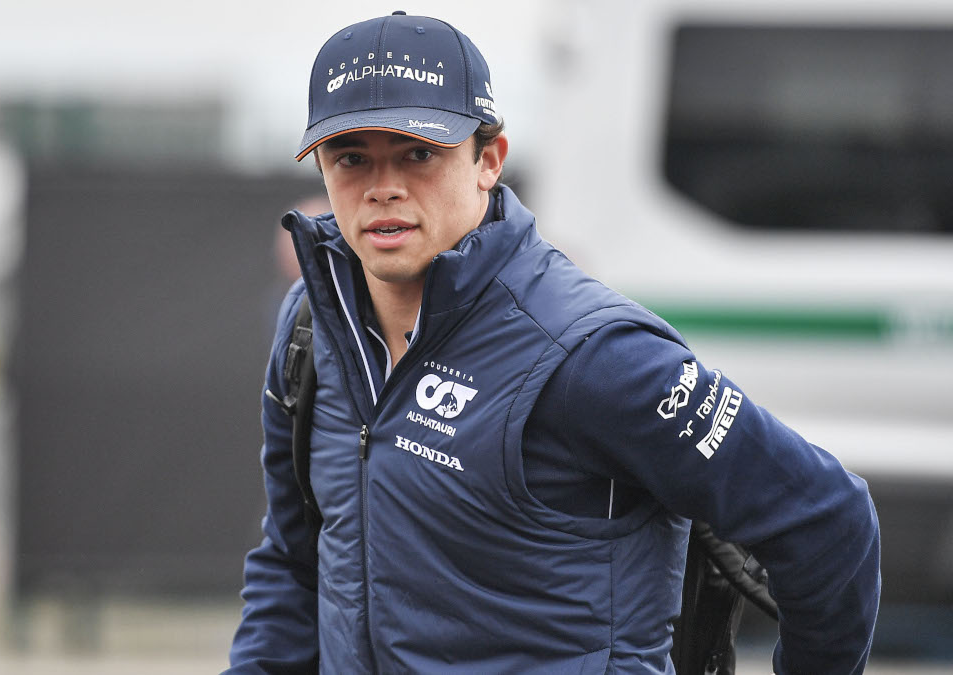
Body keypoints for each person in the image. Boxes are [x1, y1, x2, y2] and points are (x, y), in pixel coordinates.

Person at [228, 12, 880, 674]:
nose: (382, 187)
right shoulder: (313, 321)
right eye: (351, 157)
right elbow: (293, 564)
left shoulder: (592, 354)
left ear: (488, 161)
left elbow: (828, 520)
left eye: (418, 153)